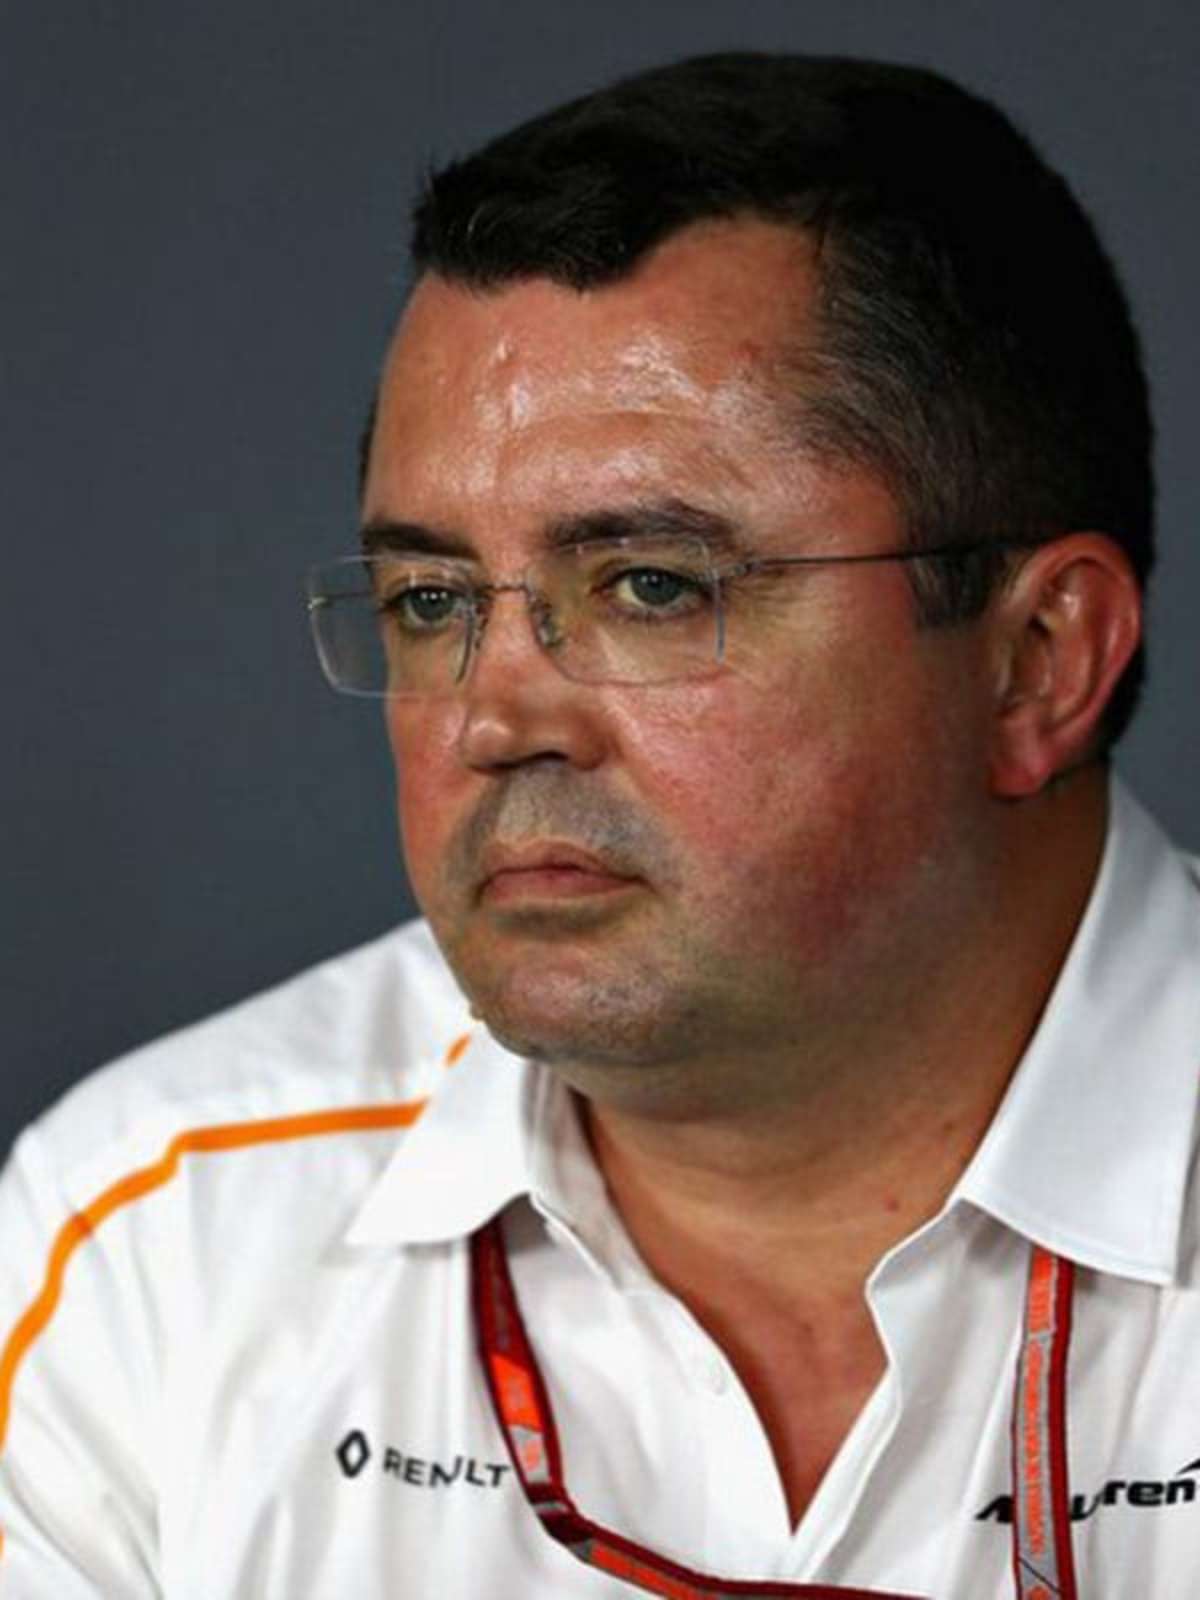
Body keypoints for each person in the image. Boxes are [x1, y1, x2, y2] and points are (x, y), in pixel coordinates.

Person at [0, 49, 1191, 1600]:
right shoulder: (155, 1240)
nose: (492, 721)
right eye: (432, 601)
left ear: (1037, 662)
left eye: (649, 585)